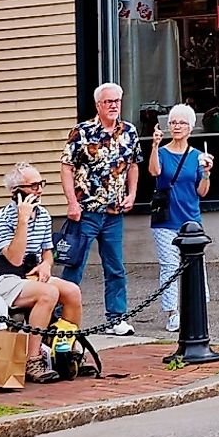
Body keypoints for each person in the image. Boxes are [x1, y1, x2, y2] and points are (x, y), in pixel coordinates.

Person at [0, 163, 83, 379]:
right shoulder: (2, 218)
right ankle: (32, 359)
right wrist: (23, 221)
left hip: (31, 275)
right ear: (16, 191)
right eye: (33, 186)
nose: (39, 190)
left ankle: (64, 351)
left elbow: (48, 252)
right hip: (4, 278)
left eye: (41, 184)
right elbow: (15, 258)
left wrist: (46, 265)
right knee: (48, 294)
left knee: (72, 291)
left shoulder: (44, 215)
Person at [55, 84, 140, 338]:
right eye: (108, 102)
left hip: (115, 212)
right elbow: (66, 167)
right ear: (98, 105)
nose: (114, 105)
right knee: (75, 265)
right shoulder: (82, 132)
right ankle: (60, 318)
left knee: (115, 266)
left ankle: (116, 317)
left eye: (117, 101)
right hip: (87, 210)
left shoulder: (129, 132)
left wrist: (132, 194)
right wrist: (71, 201)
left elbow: (133, 165)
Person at [148, 105, 213, 331]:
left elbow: (202, 191)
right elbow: (155, 172)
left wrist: (206, 172)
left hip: (191, 220)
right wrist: (154, 145)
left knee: (196, 264)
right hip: (165, 219)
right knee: (169, 266)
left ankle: (199, 309)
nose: (176, 126)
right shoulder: (163, 153)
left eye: (182, 123)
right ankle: (172, 313)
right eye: (173, 122)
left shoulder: (197, 156)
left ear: (190, 128)